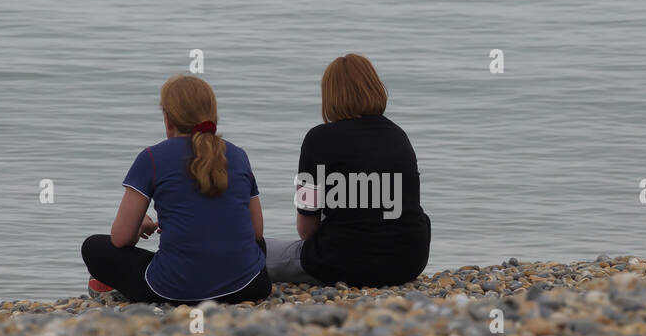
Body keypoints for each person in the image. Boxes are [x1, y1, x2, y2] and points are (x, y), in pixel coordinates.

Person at [81, 74, 271, 305]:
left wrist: (139, 224)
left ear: (168, 118)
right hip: (250, 286)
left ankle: (108, 285)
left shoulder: (152, 157)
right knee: (254, 245)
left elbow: (121, 239)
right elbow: (256, 232)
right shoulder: (238, 155)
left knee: (94, 247)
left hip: (175, 289)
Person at [265, 54, 430, 287]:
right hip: (409, 261)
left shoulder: (318, 139)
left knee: (254, 251)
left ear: (331, 95)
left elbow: (306, 229)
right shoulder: (398, 136)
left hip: (342, 263)